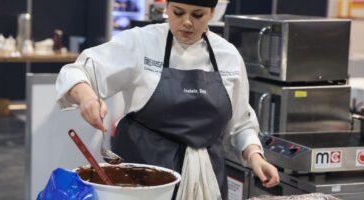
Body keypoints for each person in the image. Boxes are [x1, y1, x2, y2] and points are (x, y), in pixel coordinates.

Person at [56, 0, 280, 199]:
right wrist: (86, 97)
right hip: (143, 177)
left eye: (197, 15)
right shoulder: (142, 43)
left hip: (206, 177)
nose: (187, 22)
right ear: (167, 8)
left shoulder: (228, 56)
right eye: (178, 12)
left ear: (212, 13)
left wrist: (254, 156)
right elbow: (77, 71)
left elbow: (240, 122)